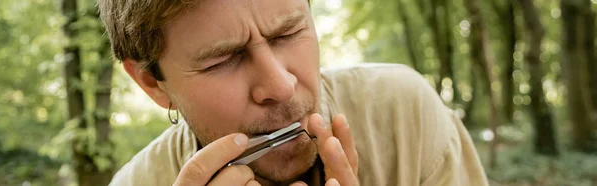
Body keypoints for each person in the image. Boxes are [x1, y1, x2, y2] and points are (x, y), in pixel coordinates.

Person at [98, 0, 489, 185]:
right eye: (223, 59)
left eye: (288, 33)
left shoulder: (404, 113)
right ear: (152, 83)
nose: (282, 86)